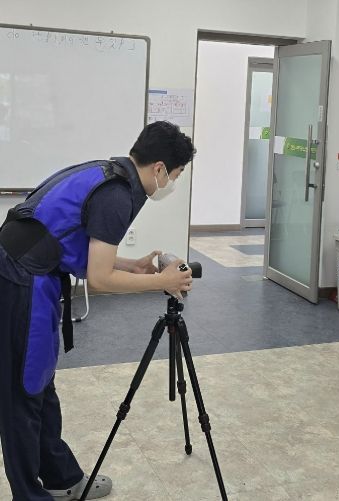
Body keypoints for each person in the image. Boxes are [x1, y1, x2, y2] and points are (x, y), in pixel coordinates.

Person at [0, 121, 196, 500]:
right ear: (159, 168)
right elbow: (100, 279)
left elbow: (88, 251)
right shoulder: (117, 196)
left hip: (32, 272)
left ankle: (61, 478)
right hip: (22, 279)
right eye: (175, 175)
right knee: (23, 390)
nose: (173, 183)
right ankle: (29, 494)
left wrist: (134, 266)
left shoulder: (108, 174)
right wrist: (162, 280)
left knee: (39, 381)